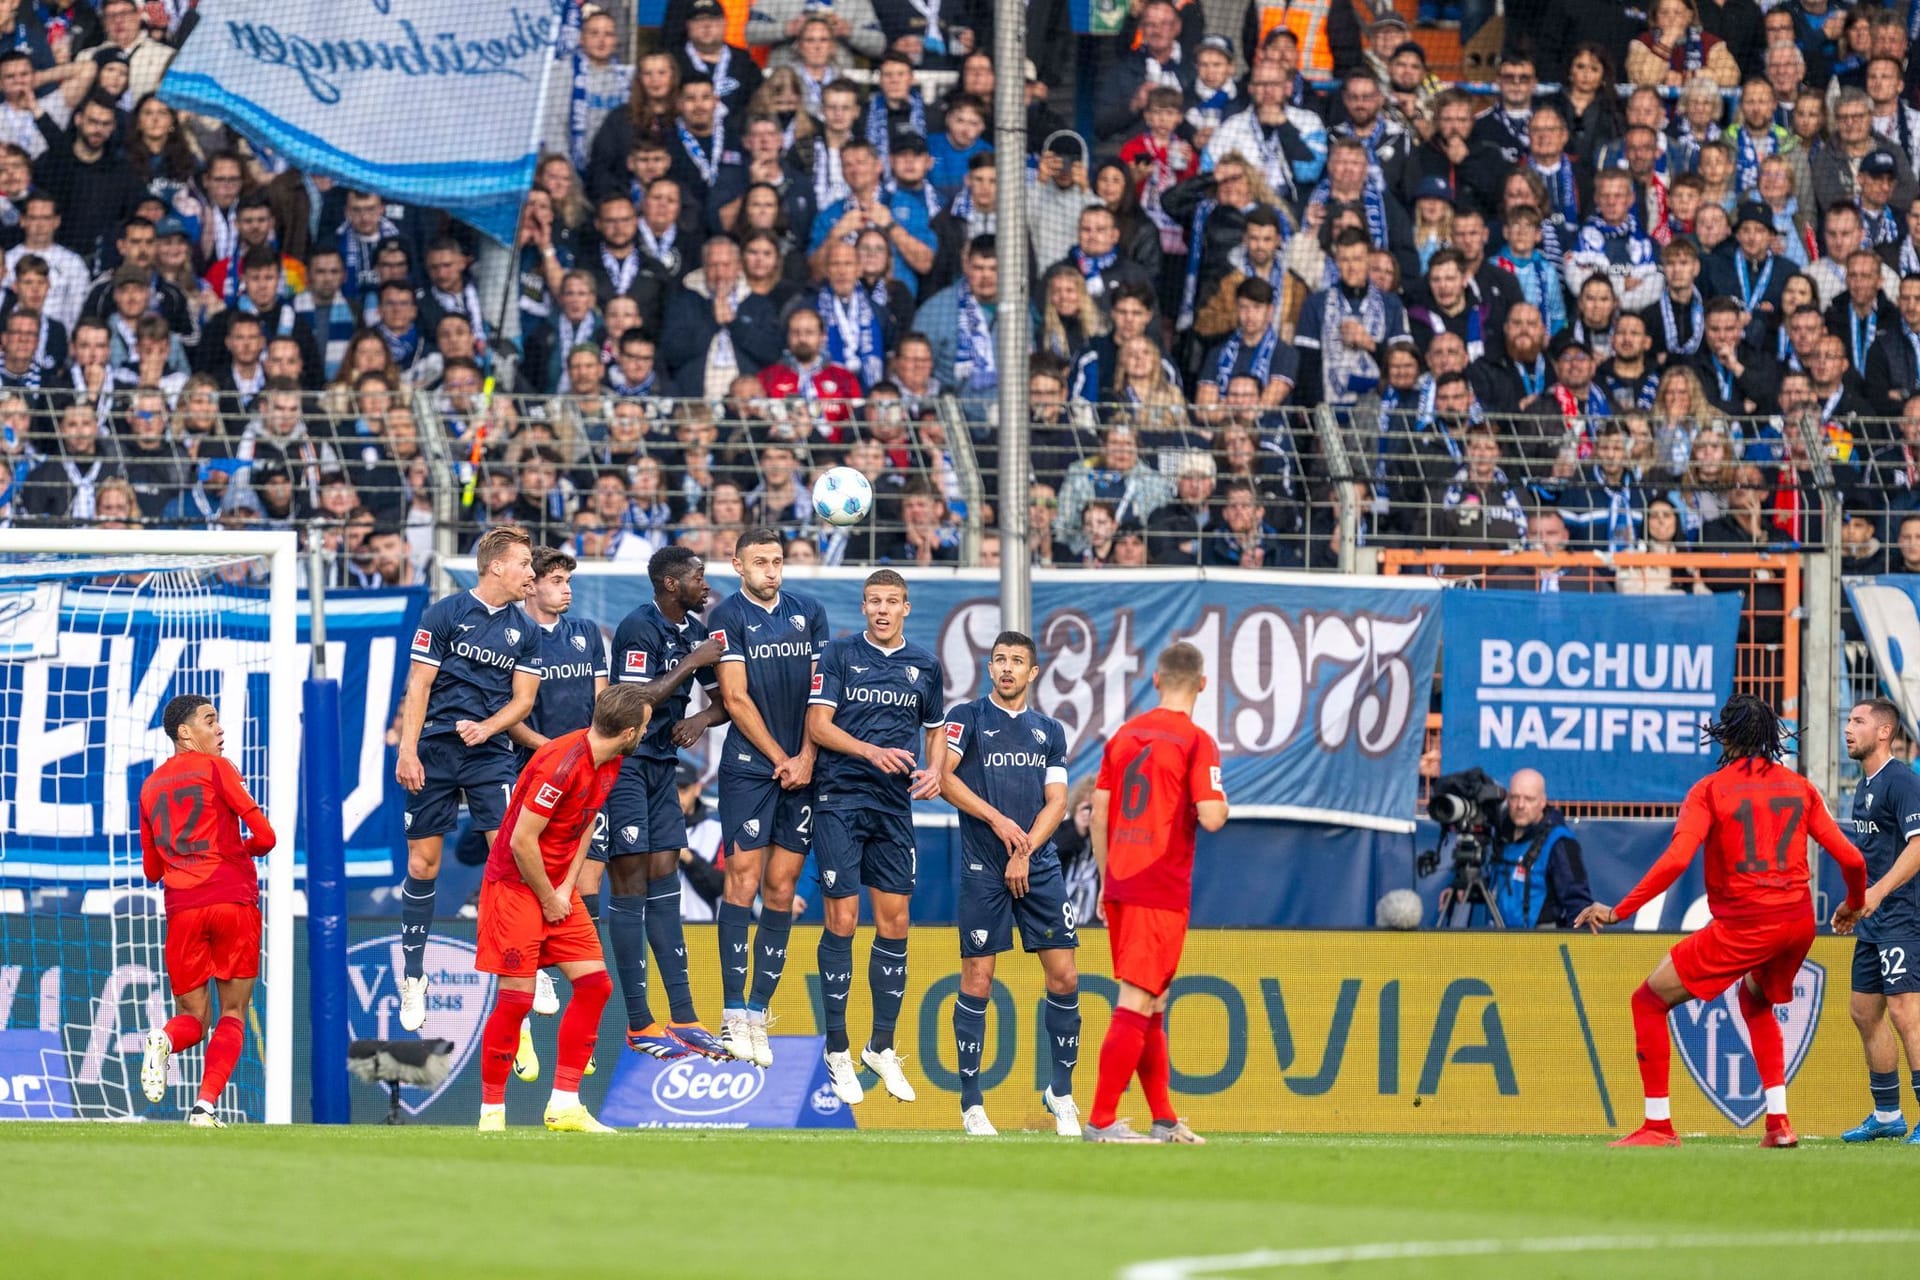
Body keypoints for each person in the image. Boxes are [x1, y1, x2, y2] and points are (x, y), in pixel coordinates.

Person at [1576, 694, 1869, 1147]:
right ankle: (1778, 1124)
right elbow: (1851, 858)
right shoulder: (1800, 787)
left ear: (1726, 737)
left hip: (1746, 924)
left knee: (1647, 1001)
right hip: (1798, 922)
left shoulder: (1709, 790)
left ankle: (1658, 1126)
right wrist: (1852, 903)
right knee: (1755, 1002)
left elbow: (1676, 860)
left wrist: (1619, 910)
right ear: (1771, 736)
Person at [474, 684, 656, 1134]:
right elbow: (520, 841)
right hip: (516, 886)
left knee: (595, 986)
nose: (646, 732)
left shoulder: (610, 762)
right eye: (646, 726)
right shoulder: (562, 764)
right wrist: (548, 895)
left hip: (558, 886)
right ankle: (491, 1114)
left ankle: (564, 1105)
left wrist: (568, 887)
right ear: (629, 730)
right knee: (516, 1000)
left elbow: (586, 824)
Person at [805, 568, 946, 1104]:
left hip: (893, 806)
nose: (883, 610)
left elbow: (935, 728)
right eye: (874, 602)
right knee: (843, 918)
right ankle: (837, 1047)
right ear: (863, 607)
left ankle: (879, 1047)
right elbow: (819, 725)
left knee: (897, 921)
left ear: (906, 608)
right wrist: (870, 751)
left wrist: (935, 772)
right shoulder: (839, 655)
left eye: (892, 602)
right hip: (840, 799)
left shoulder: (925, 666)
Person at [392, 526, 541, 1032]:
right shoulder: (445, 614)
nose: (531, 573)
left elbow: (523, 702)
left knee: (510, 854)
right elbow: (419, 684)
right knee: (423, 862)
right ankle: (413, 976)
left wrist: (487, 727)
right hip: (433, 746)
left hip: (490, 752)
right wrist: (408, 751)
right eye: (523, 563)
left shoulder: (528, 630)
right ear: (496, 566)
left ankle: (525, 961)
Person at [936, 630, 1081, 1138]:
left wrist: (1024, 849)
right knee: (978, 981)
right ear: (989, 667)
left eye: (1017, 661)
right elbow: (946, 778)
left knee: (1064, 977)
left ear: (1033, 672)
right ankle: (971, 1104)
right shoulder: (966, 718)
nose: (1007, 668)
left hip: (1036, 867)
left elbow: (1057, 802)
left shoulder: (1049, 731)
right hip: (982, 869)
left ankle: (1061, 1093)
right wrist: (999, 824)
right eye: (999, 659)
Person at [1085, 641, 1227, 1143]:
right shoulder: (1196, 741)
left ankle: (1163, 1118)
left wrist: (1106, 879)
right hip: (1159, 884)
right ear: (1203, 685)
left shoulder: (1124, 735)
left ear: (1157, 679)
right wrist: (1220, 802)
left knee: (1154, 1000)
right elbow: (1211, 817)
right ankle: (1101, 1121)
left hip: (1122, 879)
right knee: (1136, 998)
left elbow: (1098, 814)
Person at [707, 528, 831, 1068]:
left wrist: (804, 756)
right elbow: (733, 696)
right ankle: (732, 1013)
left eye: (777, 562)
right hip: (749, 768)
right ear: (738, 566)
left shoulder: (810, 612)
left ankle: (758, 1013)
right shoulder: (727, 617)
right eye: (760, 563)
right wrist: (780, 757)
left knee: (781, 890)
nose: (772, 571)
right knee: (744, 880)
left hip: (803, 766)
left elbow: (823, 694)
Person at [605, 545, 728, 1060]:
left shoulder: (696, 632)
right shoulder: (640, 627)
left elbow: (726, 702)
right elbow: (631, 702)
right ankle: (638, 1020)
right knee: (630, 878)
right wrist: (690, 664)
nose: (706, 584)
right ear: (672, 585)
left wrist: (700, 719)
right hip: (626, 763)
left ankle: (683, 1016)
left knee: (663, 876)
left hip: (662, 769)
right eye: (698, 577)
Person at [137, 695, 278, 1127]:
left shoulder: (149, 787)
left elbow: (151, 870)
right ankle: (204, 1106)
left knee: (192, 1020)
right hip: (231, 899)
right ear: (185, 733)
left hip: (183, 909)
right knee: (232, 1013)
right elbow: (266, 836)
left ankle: (162, 1038)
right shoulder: (218, 768)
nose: (219, 729)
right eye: (209, 721)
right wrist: (241, 850)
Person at [495, 546, 608, 1081]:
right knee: (532, 882)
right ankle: (523, 1015)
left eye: (569, 580)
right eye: (556, 580)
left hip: (583, 777)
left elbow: (603, 706)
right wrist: (560, 756)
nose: (566, 589)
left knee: (580, 887)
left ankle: (573, 1030)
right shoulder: (517, 636)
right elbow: (513, 716)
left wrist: (588, 757)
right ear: (531, 584)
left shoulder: (586, 632)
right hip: (537, 777)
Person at [1837, 697, 1920, 1144]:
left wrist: (1877, 893)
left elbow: (1919, 846)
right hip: (1873, 919)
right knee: (1864, 1011)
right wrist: (1855, 902)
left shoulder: (1902, 782)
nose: (1847, 728)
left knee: (1908, 1013)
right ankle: (1888, 1114)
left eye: (1858, 721)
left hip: (1904, 918)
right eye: (1848, 721)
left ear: (1884, 732)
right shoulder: (1863, 786)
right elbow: (1872, 859)